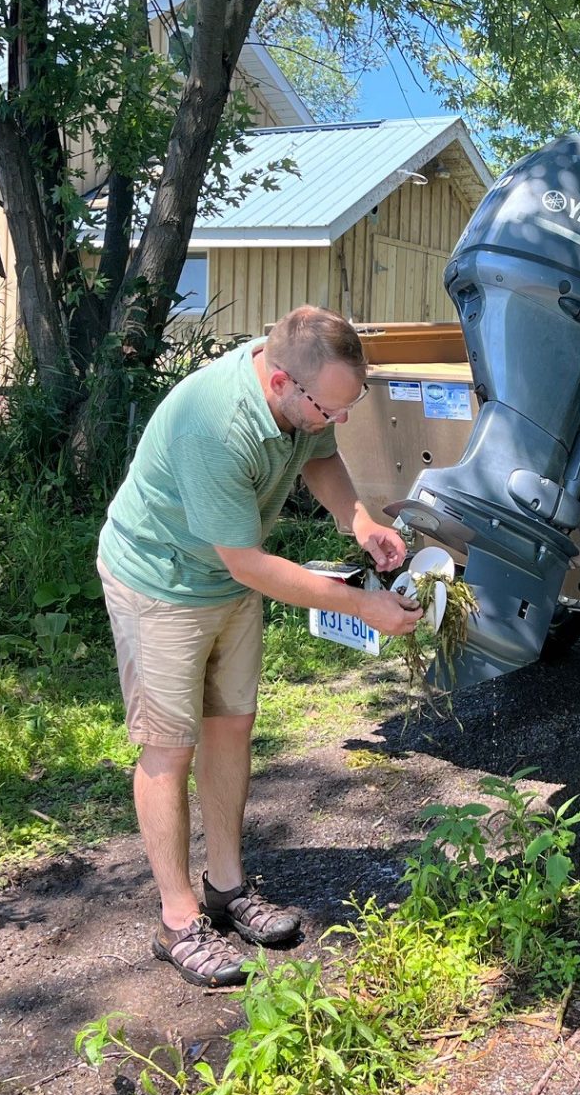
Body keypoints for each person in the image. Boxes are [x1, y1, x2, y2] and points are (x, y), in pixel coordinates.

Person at [96, 306, 420, 988]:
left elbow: (322, 457)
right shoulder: (217, 426)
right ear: (280, 383)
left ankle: (227, 887)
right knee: (169, 745)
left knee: (231, 729)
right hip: (161, 580)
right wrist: (361, 604)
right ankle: (179, 920)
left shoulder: (301, 394)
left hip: (224, 579)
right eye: (329, 407)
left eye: (346, 407)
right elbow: (247, 562)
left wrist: (358, 519)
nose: (336, 420)